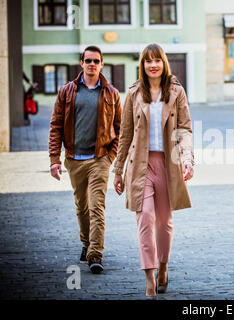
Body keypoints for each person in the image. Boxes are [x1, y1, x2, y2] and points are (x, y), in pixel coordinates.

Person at [113, 43, 194, 299]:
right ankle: (149, 278)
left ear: (164, 63)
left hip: (168, 166)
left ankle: (163, 266)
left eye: (157, 60)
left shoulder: (177, 92)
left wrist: (188, 159)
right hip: (140, 165)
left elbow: (185, 128)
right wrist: (118, 170)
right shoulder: (134, 93)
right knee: (144, 218)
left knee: (164, 223)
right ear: (143, 65)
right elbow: (125, 133)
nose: (153, 65)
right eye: (148, 61)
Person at [48, 45, 122, 274]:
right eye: (88, 60)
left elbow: (120, 129)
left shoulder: (112, 93)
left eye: (96, 61)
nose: (92, 64)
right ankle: (86, 244)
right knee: (82, 206)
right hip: (74, 159)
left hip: (100, 158)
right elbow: (56, 125)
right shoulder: (67, 91)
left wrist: (111, 156)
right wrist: (54, 158)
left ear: (102, 64)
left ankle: (95, 254)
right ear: (81, 63)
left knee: (97, 205)